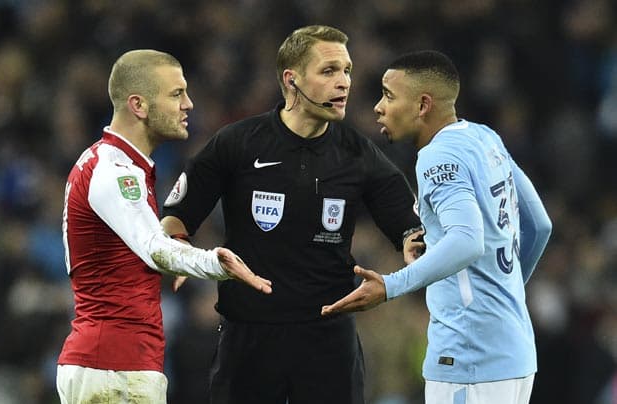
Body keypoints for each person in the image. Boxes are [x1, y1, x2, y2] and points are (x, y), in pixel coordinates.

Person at [161, 26, 421, 404]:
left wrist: (414, 245)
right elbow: (177, 218)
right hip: (249, 336)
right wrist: (180, 252)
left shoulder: (358, 154)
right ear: (292, 80)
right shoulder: (237, 143)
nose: (344, 82)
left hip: (328, 340)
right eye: (329, 71)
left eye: (347, 70)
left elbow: (407, 224)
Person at [321, 50, 553, 404]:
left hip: (469, 357)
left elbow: (467, 239)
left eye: (389, 95)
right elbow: (539, 224)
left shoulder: (436, 156)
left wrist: (390, 285)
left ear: (423, 104)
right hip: (514, 351)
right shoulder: (484, 138)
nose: (378, 108)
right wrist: (502, 295)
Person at [56, 49, 272, 404]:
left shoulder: (110, 163)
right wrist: (217, 263)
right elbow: (156, 249)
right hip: (115, 367)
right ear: (138, 105)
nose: (188, 104)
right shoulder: (116, 172)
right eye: (176, 94)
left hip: (112, 363)